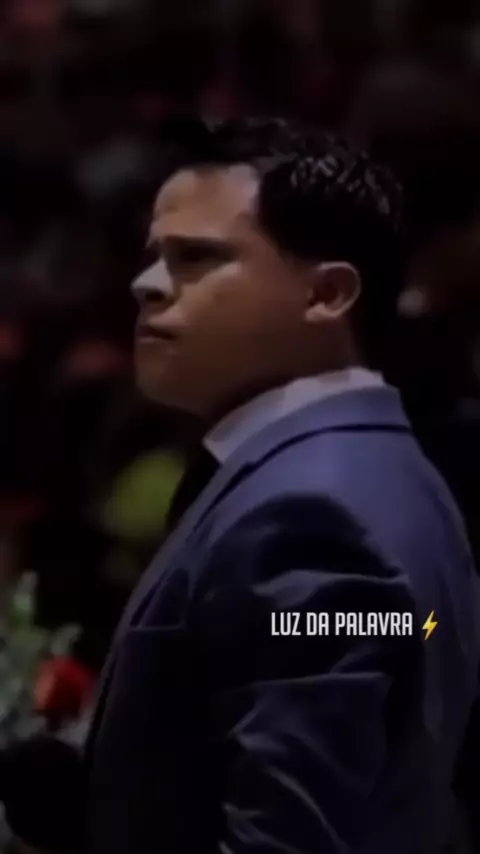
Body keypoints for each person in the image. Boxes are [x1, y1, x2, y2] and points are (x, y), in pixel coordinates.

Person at [2, 117, 480, 854]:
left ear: (327, 293)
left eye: (195, 257)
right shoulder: (372, 471)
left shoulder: (313, 510)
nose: (145, 284)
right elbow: (398, 635)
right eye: (154, 256)